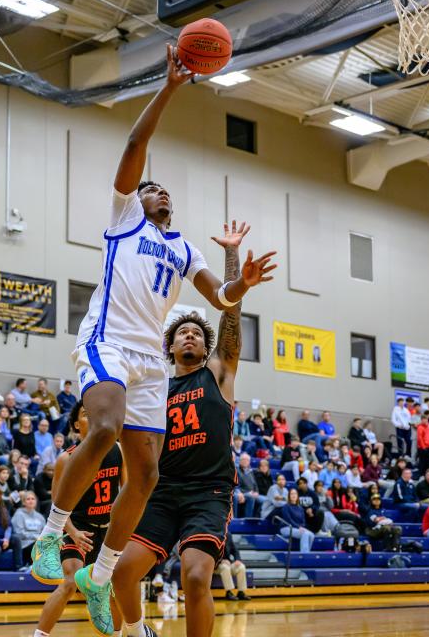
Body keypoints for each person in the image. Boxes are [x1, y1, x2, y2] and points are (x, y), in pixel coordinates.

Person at [29, 46, 275, 637]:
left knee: (145, 476)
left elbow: (221, 297)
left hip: (150, 364)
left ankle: (104, 571)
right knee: (105, 430)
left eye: (162, 189)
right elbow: (133, 150)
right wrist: (167, 88)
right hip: (108, 342)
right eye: (150, 187)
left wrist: (242, 277)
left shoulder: (183, 246)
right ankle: (49, 533)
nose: (157, 191)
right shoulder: (124, 218)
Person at [112, 237, 265, 637]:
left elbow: (229, 316)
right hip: (161, 493)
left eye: (198, 332)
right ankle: (139, 630)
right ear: (171, 346)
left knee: (195, 577)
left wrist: (234, 263)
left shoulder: (218, 373)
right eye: (183, 333)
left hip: (208, 493)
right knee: (121, 573)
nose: (191, 336)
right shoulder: (155, 388)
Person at [34, 400, 125, 637]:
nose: (93, 417)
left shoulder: (118, 451)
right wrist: (73, 532)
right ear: (76, 425)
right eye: (86, 414)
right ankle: (40, 635)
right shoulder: (66, 459)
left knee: (115, 589)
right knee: (70, 582)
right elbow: (57, 505)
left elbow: (128, 493)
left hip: (107, 531)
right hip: (77, 528)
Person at [12, 491, 45, 566]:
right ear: (23, 502)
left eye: (33, 499)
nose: (31, 501)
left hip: (38, 543)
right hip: (24, 545)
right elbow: (19, 533)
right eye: (28, 499)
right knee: (39, 545)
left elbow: (45, 533)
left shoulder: (40, 517)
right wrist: (36, 537)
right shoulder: (19, 514)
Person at [218, 532, 250, 601]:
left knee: (241, 567)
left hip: (227, 563)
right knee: (225, 567)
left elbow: (235, 550)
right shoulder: (212, 534)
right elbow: (209, 553)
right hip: (215, 565)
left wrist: (237, 559)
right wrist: (221, 561)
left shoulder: (228, 535)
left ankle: (241, 592)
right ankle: (229, 592)